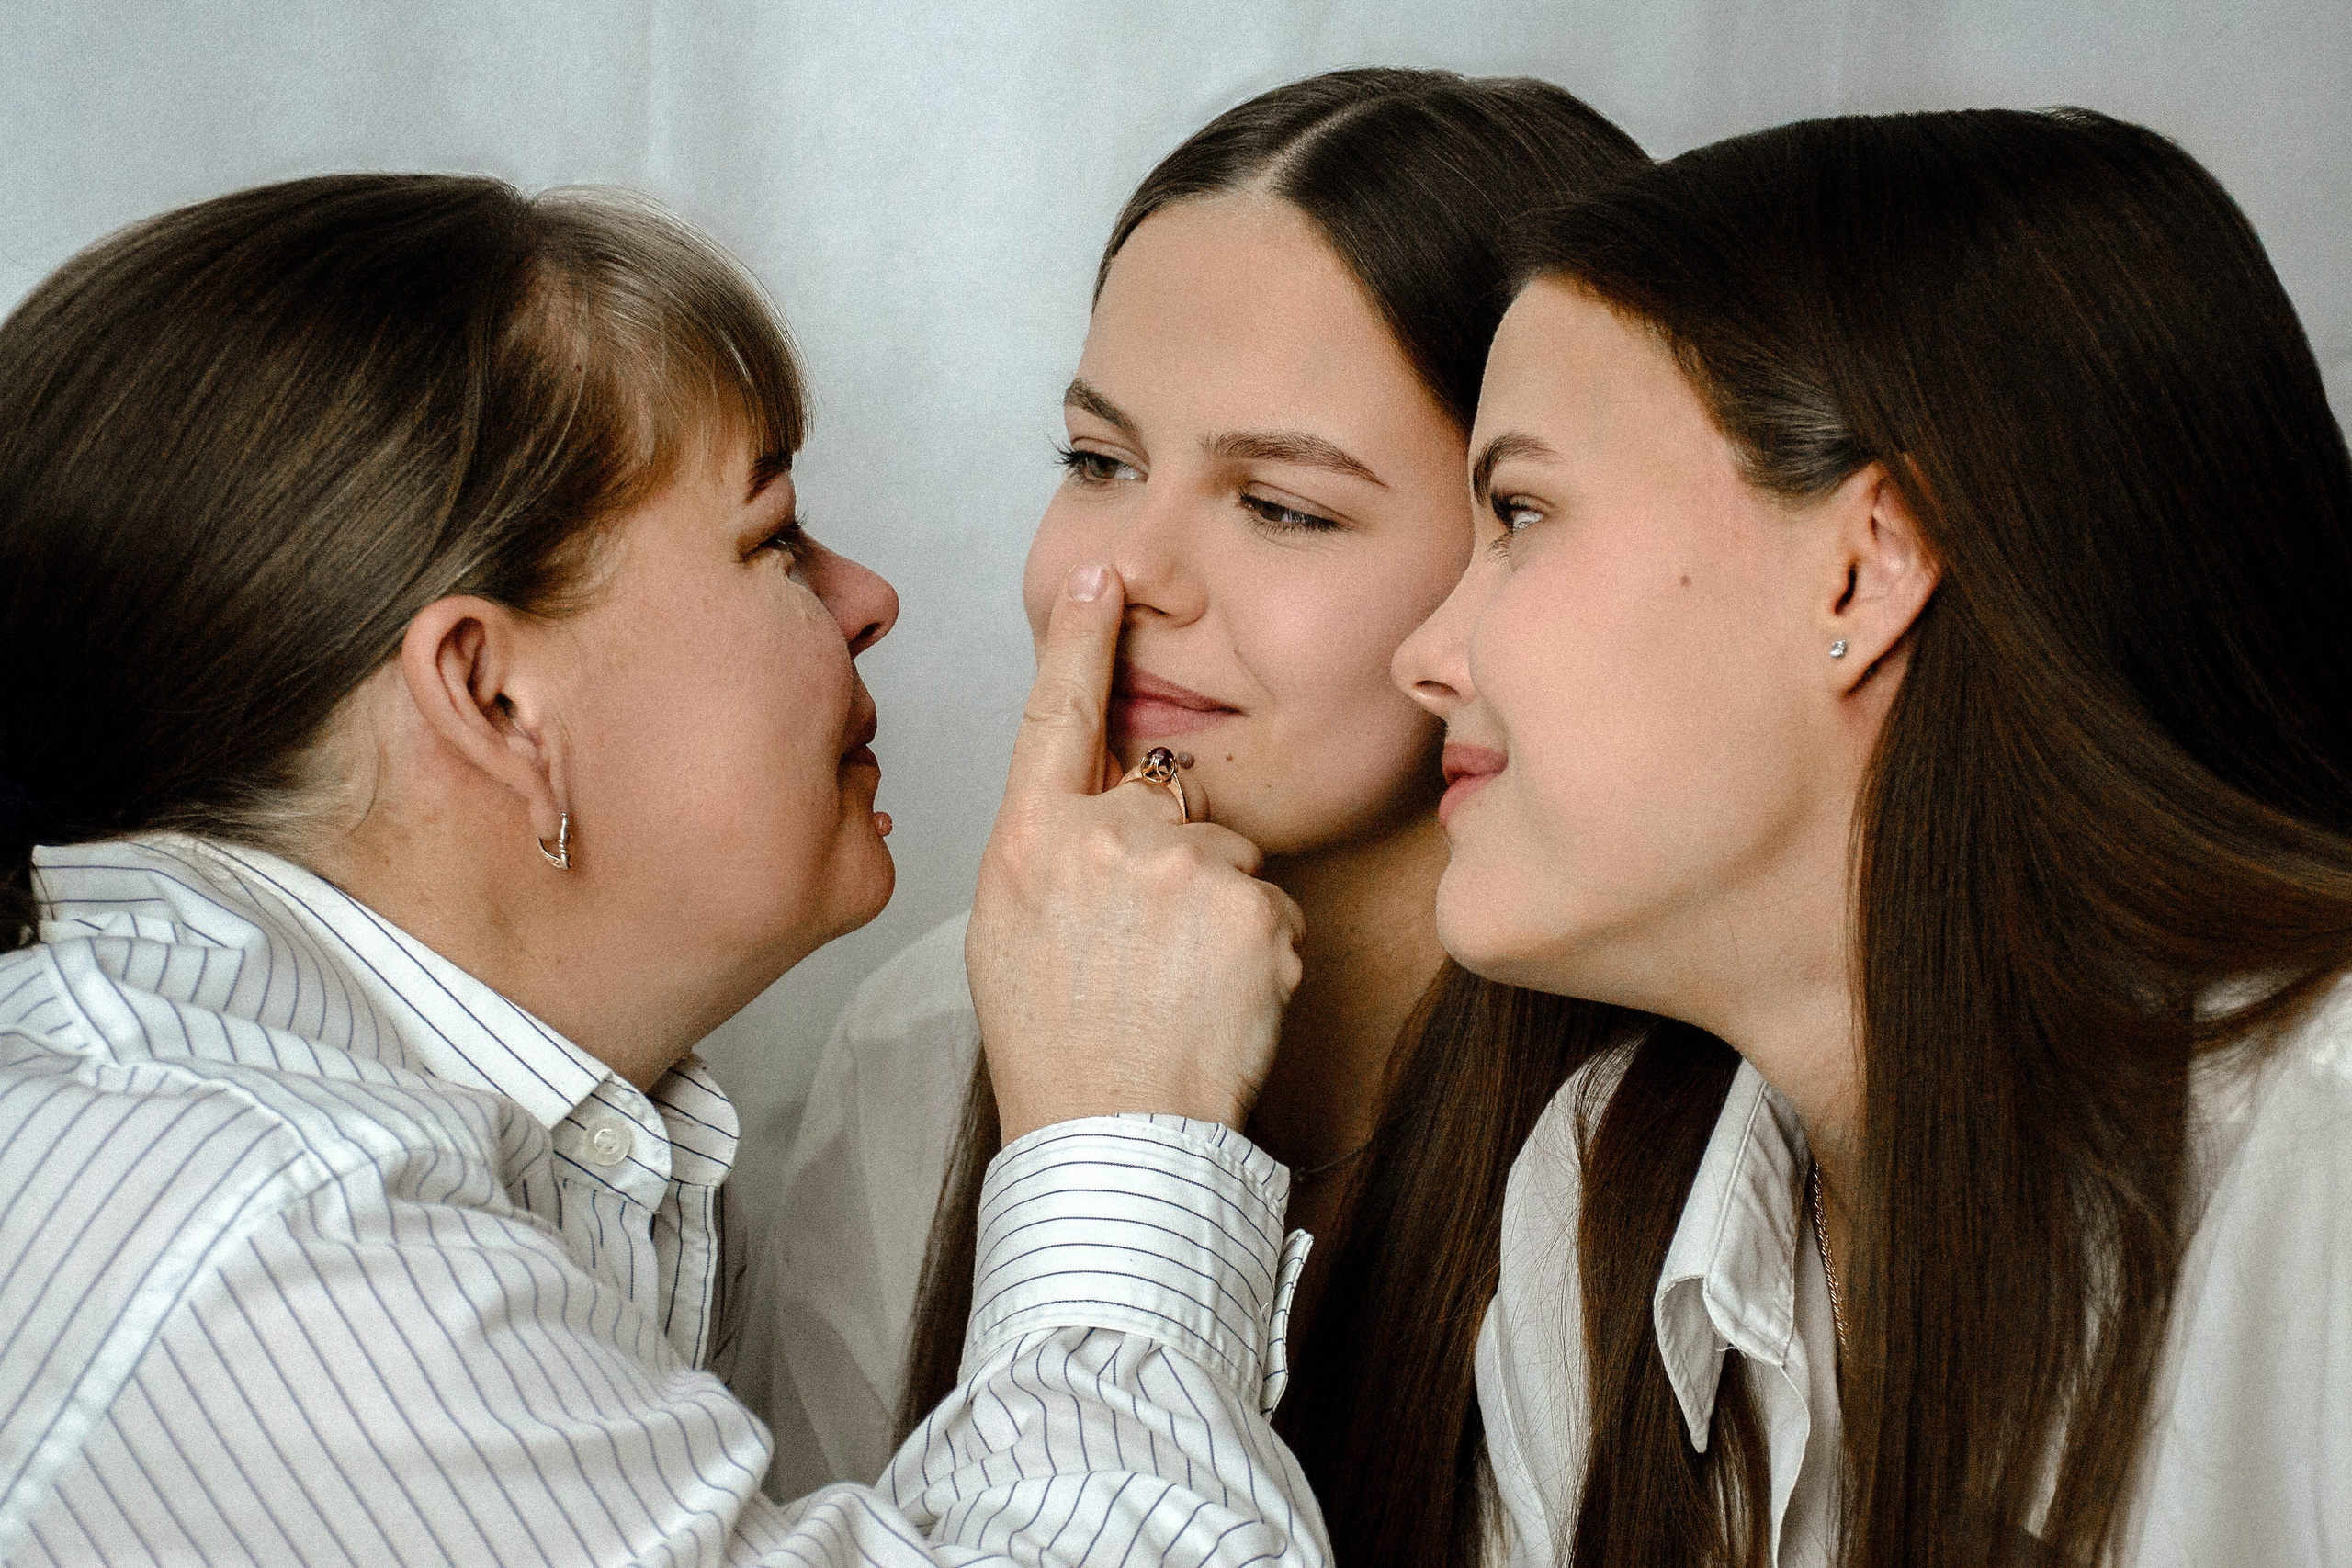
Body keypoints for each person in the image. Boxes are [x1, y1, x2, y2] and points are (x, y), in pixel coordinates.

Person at [0, 173, 1329, 1566]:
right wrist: (1120, 1125)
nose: (869, 599)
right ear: (495, 698)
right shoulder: (274, 1232)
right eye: (774, 540)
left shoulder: (482, 1148)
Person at [1389, 108, 2352, 1564]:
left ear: (1865, 571)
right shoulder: (1597, 1199)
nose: (1425, 656)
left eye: (1521, 511)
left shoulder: (2323, 1168)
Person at [730, 68, 1645, 1563]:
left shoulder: (1680, 1141)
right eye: (1098, 463)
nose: (1124, 577)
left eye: (1283, 506)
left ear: (1524, 543)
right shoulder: (926, 1040)